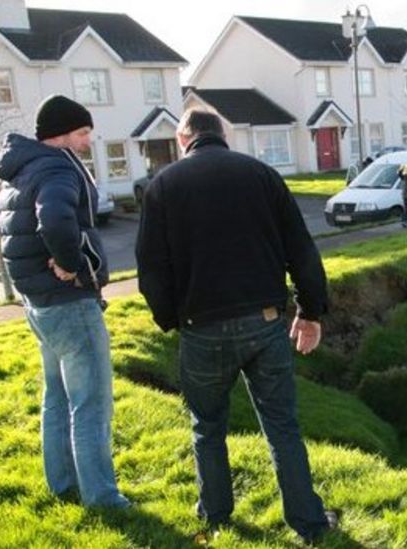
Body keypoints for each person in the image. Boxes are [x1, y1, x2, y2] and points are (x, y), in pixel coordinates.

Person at [135, 108, 337, 542]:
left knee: (207, 426)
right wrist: (310, 311)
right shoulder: (262, 175)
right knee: (282, 426)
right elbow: (301, 249)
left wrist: (170, 318)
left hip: (200, 325)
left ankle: (216, 516)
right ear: (223, 133)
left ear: (182, 137)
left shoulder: (163, 186)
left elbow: (151, 268)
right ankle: (309, 523)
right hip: (264, 322)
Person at [0, 95, 129, 509]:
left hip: (38, 302)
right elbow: (54, 219)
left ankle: (63, 484)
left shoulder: (22, 167)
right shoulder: (56, 167)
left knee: (57, 397)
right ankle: (103, 498)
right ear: (61, 134)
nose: (88, 141)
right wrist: (73, 265)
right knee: (90, 403)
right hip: (69, 302)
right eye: (83, 133)